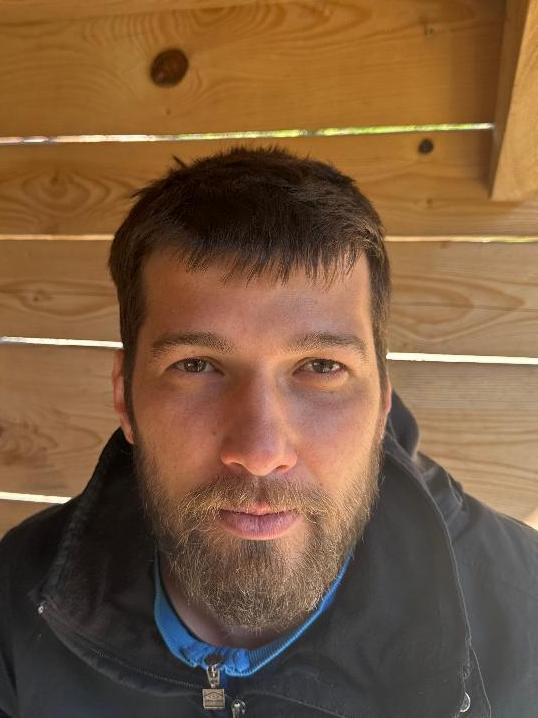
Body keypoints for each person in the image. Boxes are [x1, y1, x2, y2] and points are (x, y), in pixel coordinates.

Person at [0, 146, 536, 718]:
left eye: (321, 366)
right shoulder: (14, 597)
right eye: (197, 365)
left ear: (382, 399)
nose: (260, 453)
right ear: (123, 396)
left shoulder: (524, 612)